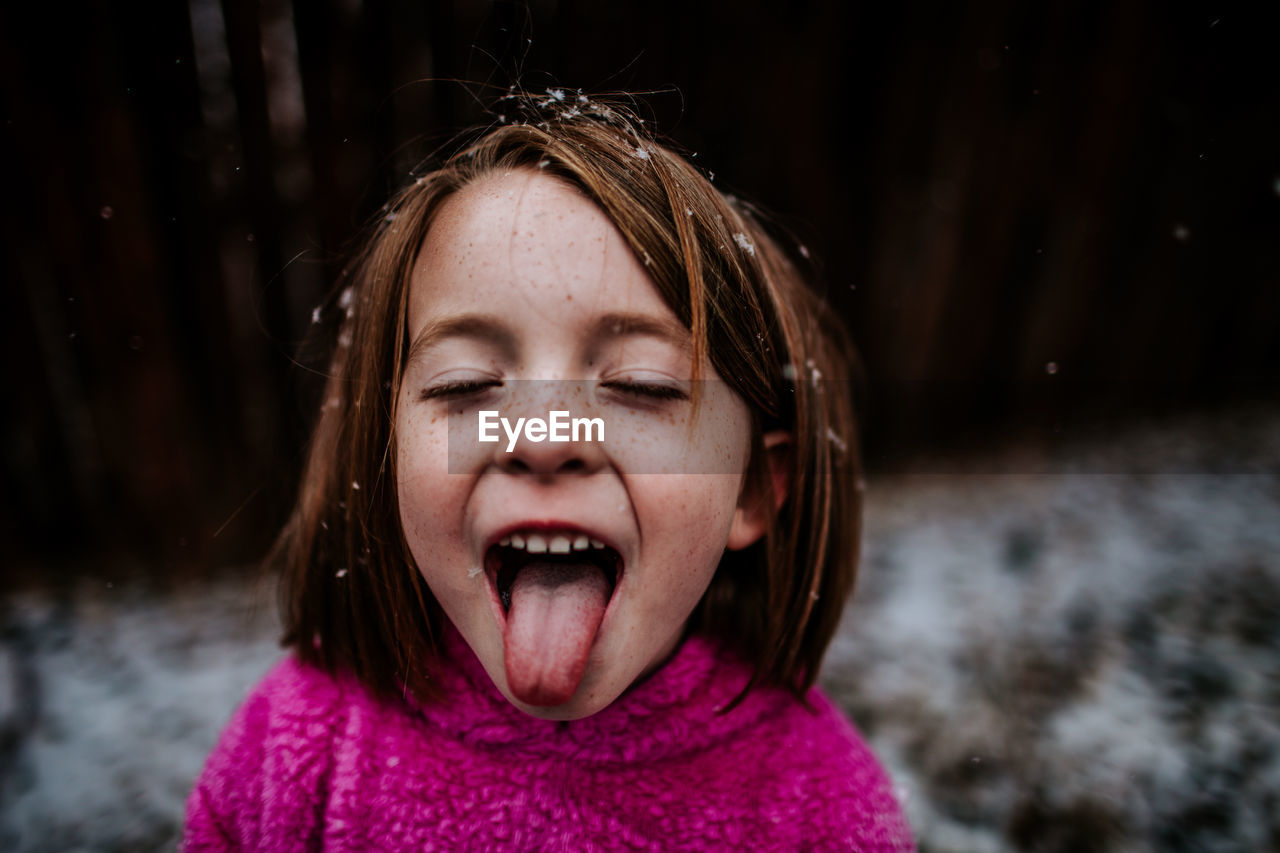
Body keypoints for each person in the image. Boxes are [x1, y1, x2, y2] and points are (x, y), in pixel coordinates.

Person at [183, 91, 914, 851]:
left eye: (640, 385)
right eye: (467, 384)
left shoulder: (820, 807)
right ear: (386, 457)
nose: (541, 437)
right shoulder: (296, 753)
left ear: (754, 490)